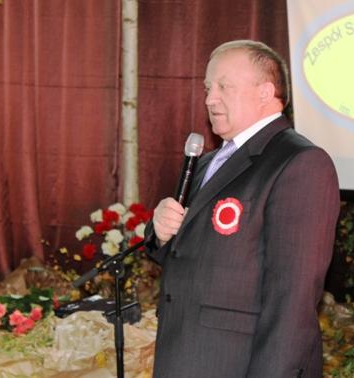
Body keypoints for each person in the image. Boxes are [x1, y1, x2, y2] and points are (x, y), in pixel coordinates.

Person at [144, 40, 340, 377]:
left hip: (238, 364)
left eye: (224, 86)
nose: (210, 99)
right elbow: (186, 254)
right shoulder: (205, 164)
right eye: (208, 88)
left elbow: (292, 298)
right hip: (186, 356)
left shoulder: (300, 163)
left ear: (265, 92)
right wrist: (160, 232)